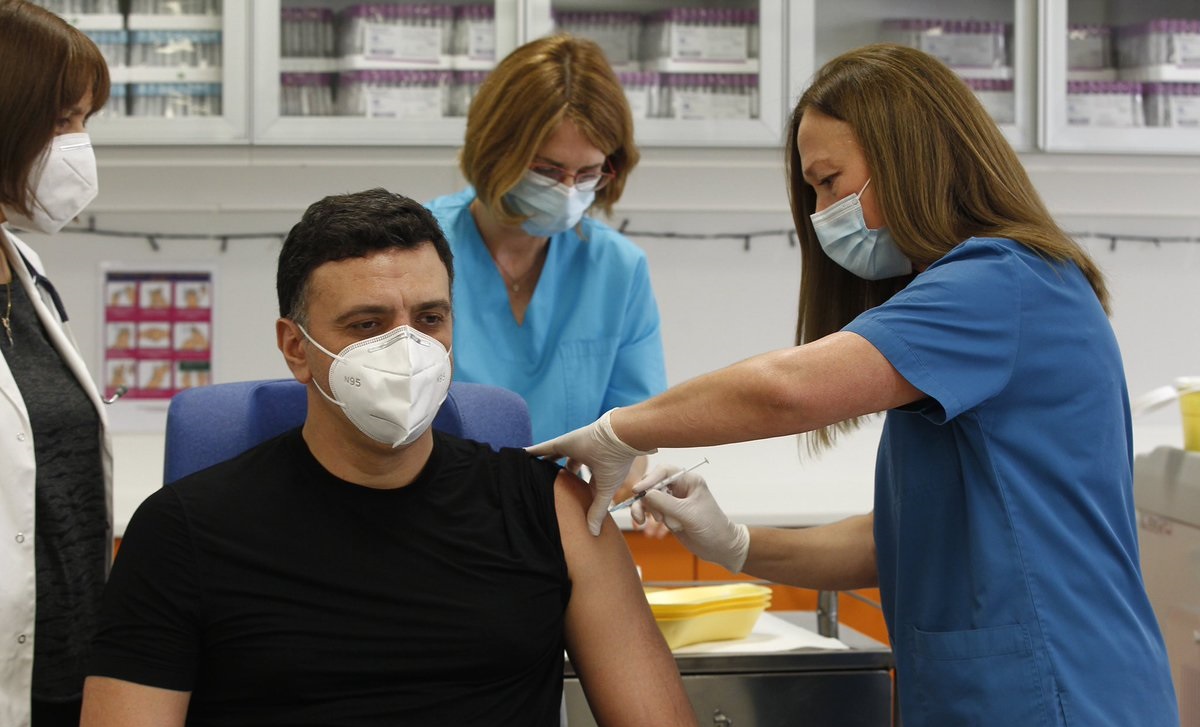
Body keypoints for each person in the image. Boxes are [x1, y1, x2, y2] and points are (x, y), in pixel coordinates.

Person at [529, 43, 1180, 727]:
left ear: (909, 158)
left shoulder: (1000, 283)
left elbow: (786, 389)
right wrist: (734, 542)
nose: (821, 212)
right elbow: (894, 542)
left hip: (1063, 692)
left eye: (830, 181)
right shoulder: (975, 301)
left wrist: (620, 429)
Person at [80, 189, 696, 727]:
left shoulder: (550, 511)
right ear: (296, 348)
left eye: (429, 318)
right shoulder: (182, 533)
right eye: (367, 325)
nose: (408, 350)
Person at [425, 34, 667, 528]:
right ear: (497, 150)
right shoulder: (416, 251)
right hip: (429, 522)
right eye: (548, 170)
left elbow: (633, 428)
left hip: (551, 529)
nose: (568, 191)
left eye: (588, 172)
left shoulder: (616, 269)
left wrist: (633, 478)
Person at [0, 3, 112, 726]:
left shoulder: (25, 267)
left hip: (65, 667)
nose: (79, 146)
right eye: (64, 119)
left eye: (85, 121)